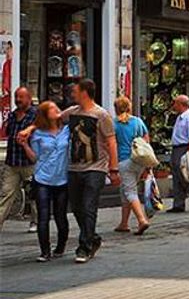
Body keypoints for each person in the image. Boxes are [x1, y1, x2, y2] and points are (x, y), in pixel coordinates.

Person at [63, 79, 119, 263]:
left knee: (88, 206)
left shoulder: (102, 115)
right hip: (74, 167)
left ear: (85, 93)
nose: (72, 94)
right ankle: (93, 237)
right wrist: (30, 129)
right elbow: (52, 119)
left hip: (96, 168)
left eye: (76, 91)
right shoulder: (72, 113)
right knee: (78, 208)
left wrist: (113, 168)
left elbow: (111, 142)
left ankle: (84, 247)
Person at [18, 101, 69, 262]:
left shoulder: (66, 131)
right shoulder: (39, 134)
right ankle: (44, 251)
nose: (57, 111)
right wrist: (25, 145)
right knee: (43, 216)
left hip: (62, 178)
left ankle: (60, 247)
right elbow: (35, 157)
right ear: (45, 114)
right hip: (43, 178)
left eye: (56, 108)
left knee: (61, 216)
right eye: (52, 109)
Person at [0, 87, 38, 232]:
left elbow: (44, 125)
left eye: (21, 97)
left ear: (29, 98)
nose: (18, 100)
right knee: (6, 193)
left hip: (29, 161)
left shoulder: (35, 114)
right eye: (16, 97)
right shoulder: (13, 115)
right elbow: (9, 132)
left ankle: (36, 221)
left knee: (33, 194)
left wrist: (30, 132)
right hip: (12, 160)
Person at [111, 97, 151, 235]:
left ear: (116, 108)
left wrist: (111, 166)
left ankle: (141, 220)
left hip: (124, 161)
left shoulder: (114, 124)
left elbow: (111, 144)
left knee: (130, 191)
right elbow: (146, 139)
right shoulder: (138, 122)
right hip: (138, 160)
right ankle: (124, 223)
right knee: (125, 190)